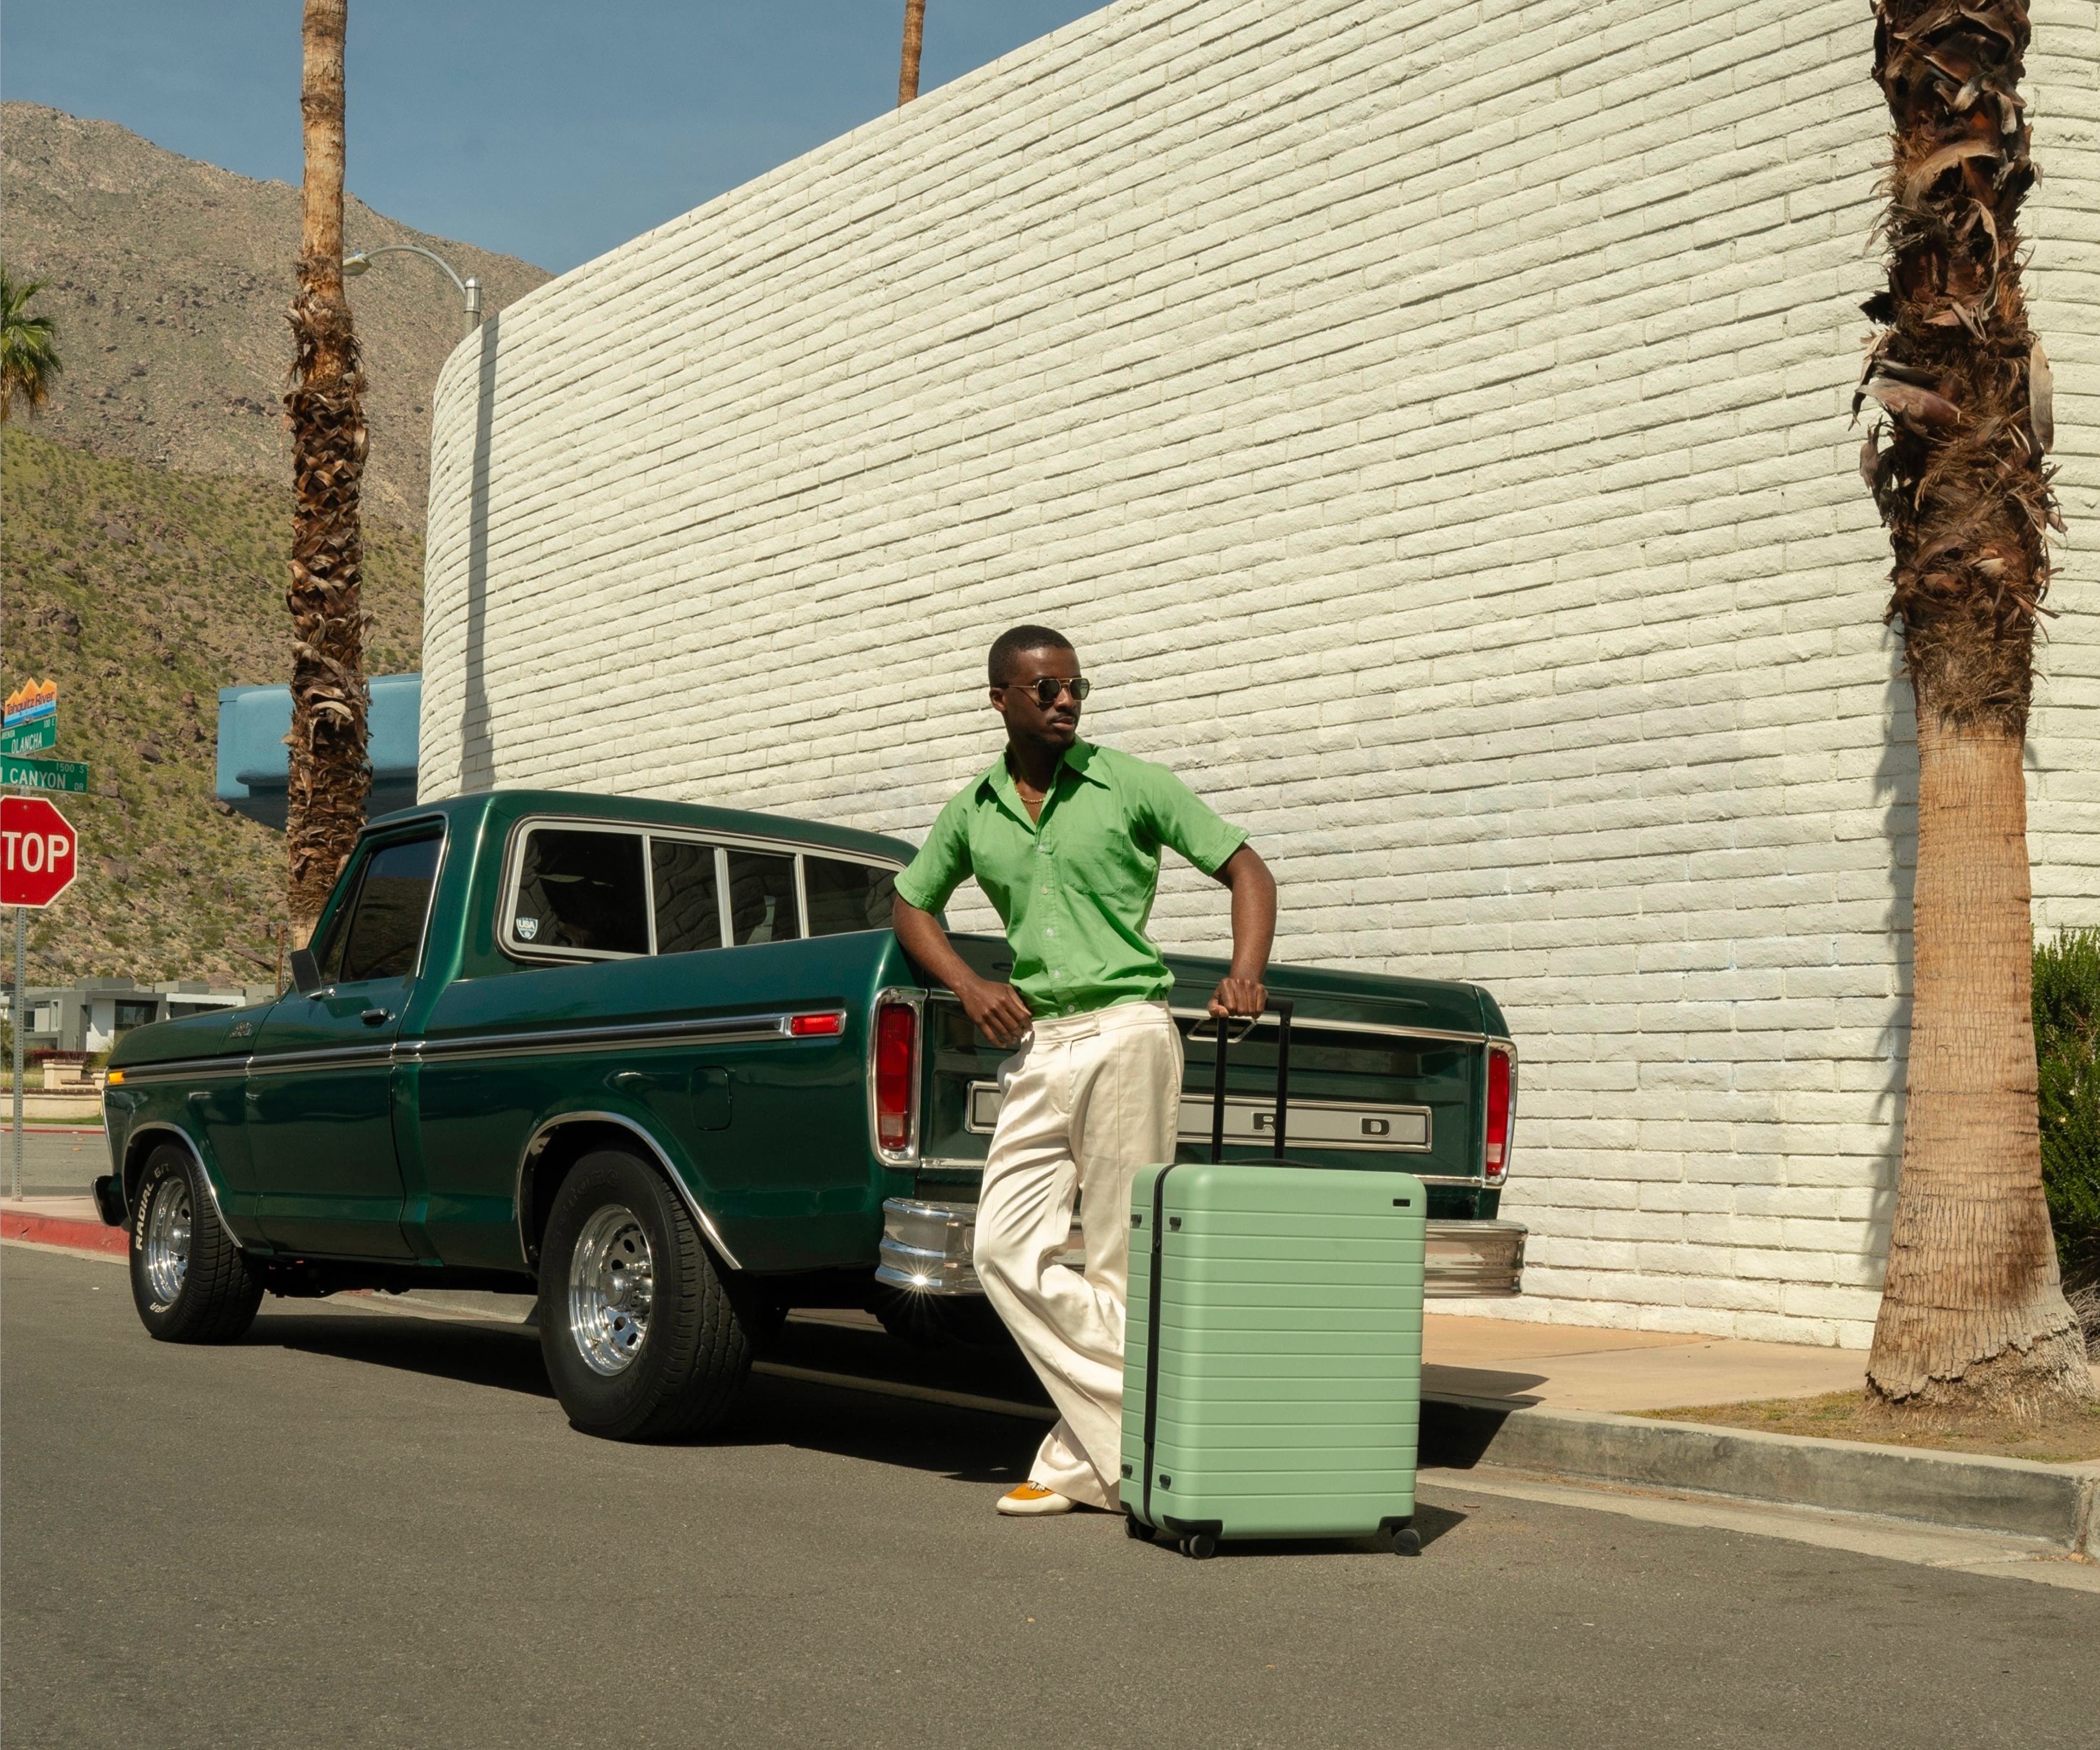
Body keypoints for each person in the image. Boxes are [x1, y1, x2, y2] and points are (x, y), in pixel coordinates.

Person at [891, 624, 1277, 1516]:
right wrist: (968, 981)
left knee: (1118, 1258)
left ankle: (1088, 1463)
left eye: (1077, 687)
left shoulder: (1130, 782)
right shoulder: (975, 809)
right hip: (1040, 1043)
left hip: (1127, 1030)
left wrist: (1245, 970)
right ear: (1000, 698)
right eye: (1047, 689)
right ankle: (1142, 1436)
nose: (1067, 701)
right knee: (999, 1248)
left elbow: (1246, 868)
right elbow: (911, 903)